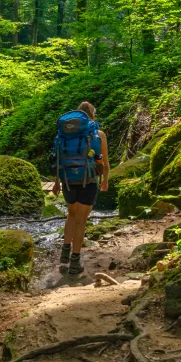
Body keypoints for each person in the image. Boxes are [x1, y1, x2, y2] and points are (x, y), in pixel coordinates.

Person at [51, 101, 109, 275]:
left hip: (68, 179)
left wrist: (57, 182)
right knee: (81, 220)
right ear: (92, 115)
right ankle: (75, 261)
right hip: (88, 180)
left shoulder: (63, 135)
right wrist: (105, 180)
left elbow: (57, 159)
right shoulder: (98, 134)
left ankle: (65, 251)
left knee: (72, 215)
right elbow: (104, 162)